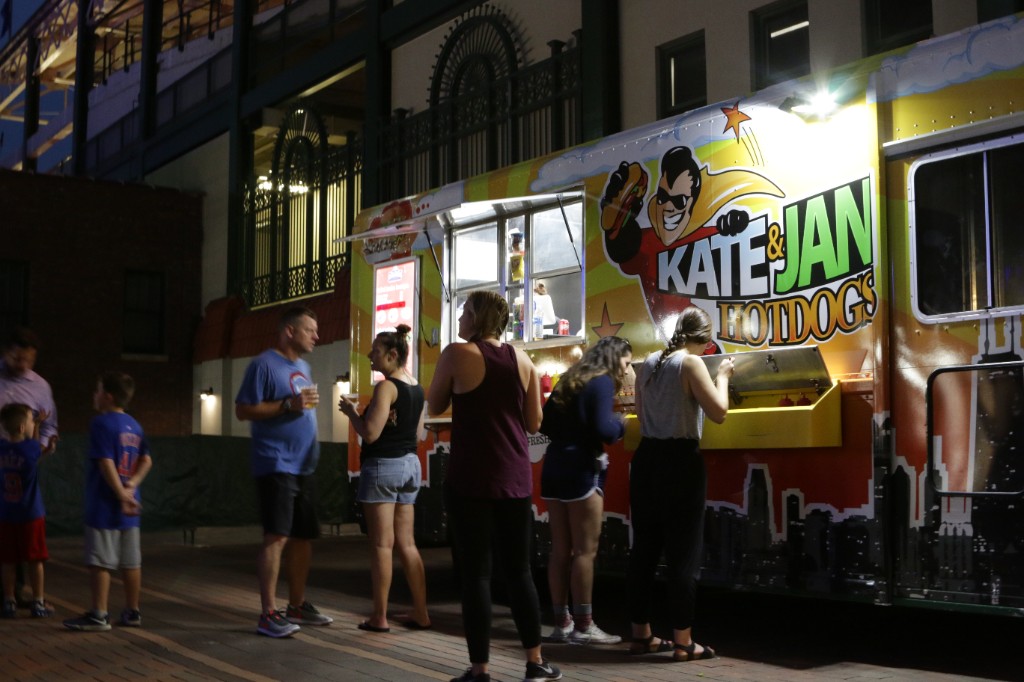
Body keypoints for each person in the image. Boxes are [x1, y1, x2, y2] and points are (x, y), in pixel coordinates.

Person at [427, 290, 561, 682]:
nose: (458, 320)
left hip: (471, 477)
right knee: (520, 572)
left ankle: (480, 669)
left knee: (476, 576)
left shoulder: (456, 354)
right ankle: (535, 662)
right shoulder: (524, 361)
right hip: (515, 478)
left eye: (464, 312)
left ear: (478, 317)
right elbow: (534, 423)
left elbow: (435, 405)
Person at [627, 306, 733, 661]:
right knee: (682, 554)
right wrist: (725, 376)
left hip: (646, 461)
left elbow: (641, 414)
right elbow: (718, 412)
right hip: (680, 463)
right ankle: (684, 642)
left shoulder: (648, 363)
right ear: (703, 339)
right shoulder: (691, 363)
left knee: (644, 550)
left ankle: (640, 635)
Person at [235, 306, 332, 638]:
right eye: (310, 330)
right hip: (276, 463)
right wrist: (287, 406)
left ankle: (296, 605)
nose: (317, 336)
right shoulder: (263, 364)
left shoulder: (302, 366)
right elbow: (242, 409)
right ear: (289, 331)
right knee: (276, 536)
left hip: (305, 465)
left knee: (303, 536)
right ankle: (267, 613)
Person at [539, 336, 632, 646]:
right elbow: (604, 430)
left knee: (560, 550)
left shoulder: (569, 378)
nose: (627, 369)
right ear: (614, 358)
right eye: (627, 362)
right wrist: (622, 424)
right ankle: (584, 626)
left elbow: (544, 424)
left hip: (553, 466)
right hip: (581, 469)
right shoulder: (602, 381)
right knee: (585, 552)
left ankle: (561, 622)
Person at [339, 324, 431, 633]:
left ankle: (379, 617)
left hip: (382, 467)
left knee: (381, 544)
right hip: (410, 466)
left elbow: (370, 433)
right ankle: (421, 612)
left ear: (393, 355)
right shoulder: (417, 388)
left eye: (375, 352)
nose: (369, 356)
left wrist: (352, 412)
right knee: (407, 543)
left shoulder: (386, 387)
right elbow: (419, 434)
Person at [63, 372, 153, 632]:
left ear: (108, 396)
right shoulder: (135, 425)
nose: (94, 394)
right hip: (130, 506)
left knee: (100, 560)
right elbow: (147, 460)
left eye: (98, 390)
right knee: (130, 561)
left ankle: (99, 614)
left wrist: (119, 493)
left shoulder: (100, 424)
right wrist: (132, 486)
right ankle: (133, 611)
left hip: (105, 504)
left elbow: (105, 462)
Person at [0, 326, 59, 609]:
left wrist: (44, 446)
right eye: (16, 358)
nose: (22, 365)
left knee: (13, 534)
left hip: (20, 470)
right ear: (6, 353)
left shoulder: (40, 387)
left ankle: (15, 593)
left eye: (28, 360)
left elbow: (49, 426)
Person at [0, 403, 54, 618]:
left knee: (8, 560)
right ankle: (38, 602)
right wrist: (41, 428)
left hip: (5, 513)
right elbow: (35, 447)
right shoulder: (30, 449)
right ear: (23, 428)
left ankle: (9, 601)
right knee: (35, 560)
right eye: (31, 422)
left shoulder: (1, 448)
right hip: (31, 514)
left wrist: (36, 423)